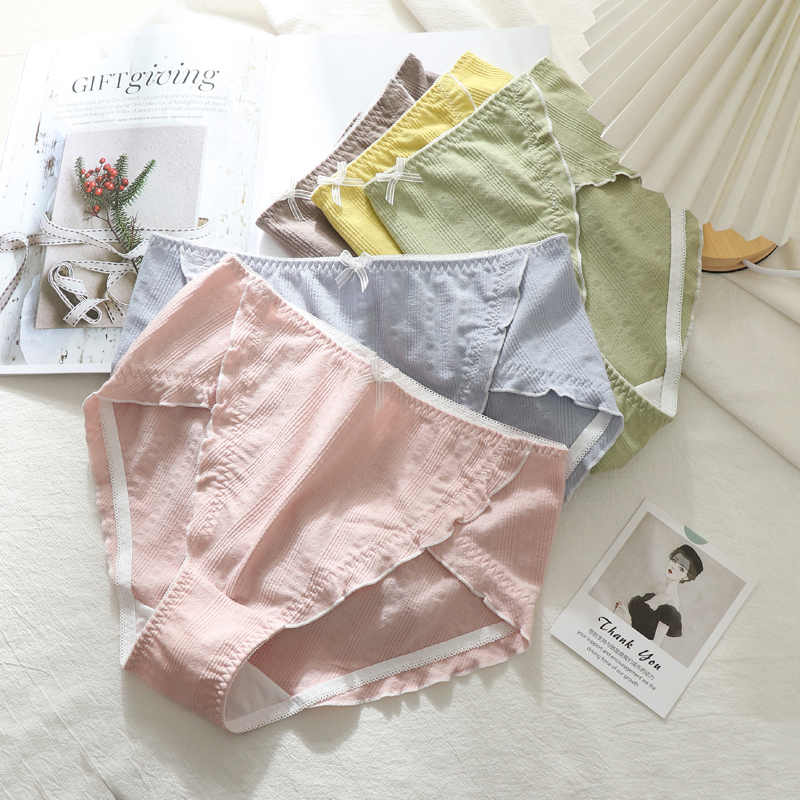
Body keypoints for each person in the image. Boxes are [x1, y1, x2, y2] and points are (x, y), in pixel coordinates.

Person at [613, 544, 703, 646]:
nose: (673, 567)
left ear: (686, 577)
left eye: (681, 568)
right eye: (674, 560)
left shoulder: (671, 605)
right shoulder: (655, 596)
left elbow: (654, 644)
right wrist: (625, 613)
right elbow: (635, 629)